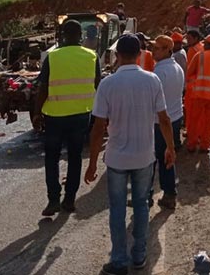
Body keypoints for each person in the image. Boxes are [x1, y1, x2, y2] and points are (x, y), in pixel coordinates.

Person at [85, 34, 176, 275]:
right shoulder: (152, 80)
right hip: (144, 157)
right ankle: (139, 256)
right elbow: (164, 119)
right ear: (139, 54)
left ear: (116, 56)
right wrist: (171, 147)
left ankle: (118, 261)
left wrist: (92, 163)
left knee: (117, 209)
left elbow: (98, 129)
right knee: (141, 206)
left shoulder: (107, 84)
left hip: (116, 158)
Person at [34, 19, 101, 216]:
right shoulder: (92, 56)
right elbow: (99, 84)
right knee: (75, 157)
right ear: (81, 35)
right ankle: (69, 199)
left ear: (63, 35)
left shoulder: (53, 57)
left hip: (55, 115)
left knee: (52, 158)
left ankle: (53, 199)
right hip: (81, 114)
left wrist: (37, 113)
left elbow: (43, 87)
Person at [150, 35, 185, 209]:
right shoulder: (176, 68)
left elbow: (152, 101)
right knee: (167, 156)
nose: (152, 51)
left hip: (161, 122)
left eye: (156, 48)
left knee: (152, 159)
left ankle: (147, 195)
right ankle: (168, 193)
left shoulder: (159, 72)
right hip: (175, 117)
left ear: (167, 50)